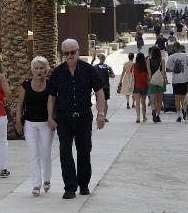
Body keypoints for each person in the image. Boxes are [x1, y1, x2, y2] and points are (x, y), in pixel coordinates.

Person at [47, 39, 106, 199]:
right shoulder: (57, 72)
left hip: (84, 117)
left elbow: (99, 91)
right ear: (62, 54)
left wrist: (101, 114)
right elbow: (52, 96)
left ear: (78, 51)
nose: (70, 55)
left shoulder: (88, 70)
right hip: (64, 119)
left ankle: (84, 184)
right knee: (65, 151)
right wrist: (50, 117)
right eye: (66, 53)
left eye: (73, 52)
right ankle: (70, 187)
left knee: (84, 151)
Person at [15, 56, 55, 196]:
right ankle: (36, 184)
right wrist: (18, 121)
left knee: (45, 154)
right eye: (36, 68)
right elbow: (20, 104)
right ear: (32, 70)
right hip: (30, 124)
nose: (39, 70)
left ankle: (47, 179)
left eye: (42, 68)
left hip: (46, 124)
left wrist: (52, 119)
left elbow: (53, 104)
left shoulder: (51, 84)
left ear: (46, 69)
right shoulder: (26, 84)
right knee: (33, 154)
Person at [166, 42, 188, 122]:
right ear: (180, 47)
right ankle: (184, 110)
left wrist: (174, 70)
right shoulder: (186, 56)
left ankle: (179, 115)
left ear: (175, 48)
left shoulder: (171, 57)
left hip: (175, 80)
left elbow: (167, 69)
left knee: (177, 98)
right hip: (184, 79)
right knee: (184, 97)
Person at [91, 52, 114, 123]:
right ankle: (99, 114)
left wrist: (110, 74)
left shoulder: (108, 67)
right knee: (98, 102)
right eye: (101, 57)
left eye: (104, 57)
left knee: (105, 102)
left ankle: (104, 116)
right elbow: (90, 74)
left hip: (106, 87)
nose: (103, 59)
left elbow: (113, 76)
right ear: (99, 58)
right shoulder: (95, 67)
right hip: (98, 87)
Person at [147, 46, 167, 123]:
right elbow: (163, 72)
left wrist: (151, 79)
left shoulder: (148, 60)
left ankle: (153, 112)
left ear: (152, 53)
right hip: (160, 82)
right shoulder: (162, 61)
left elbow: (149, 73)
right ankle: (158, 116)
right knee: (159, 100)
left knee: (152, 100)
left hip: (152, 81)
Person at [132, 52, 149, 123]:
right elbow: (148, 76)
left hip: (136, 86)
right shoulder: (145, 66)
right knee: (143, 102)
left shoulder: (134, 65)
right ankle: (144, 117)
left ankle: (138, 117)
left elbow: (132, 75)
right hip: (144, 85)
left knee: (137, 102)